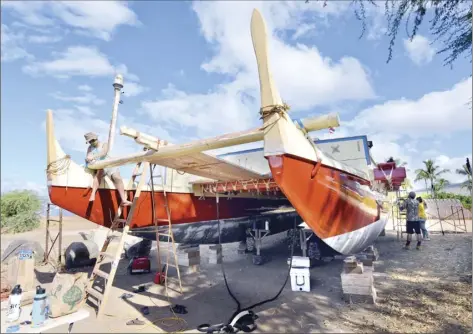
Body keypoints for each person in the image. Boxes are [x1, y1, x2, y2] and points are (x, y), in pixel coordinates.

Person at [84, 132, 132, 206]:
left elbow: (103, 153)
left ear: (95, 138)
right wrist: (88, 159)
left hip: (110, 164)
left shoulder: (104, 144)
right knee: (99, 172)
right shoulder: (90, 148)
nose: (91, 143)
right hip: (100, 166)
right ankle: (93, 193)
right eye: (89, 142)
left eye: (92, 141)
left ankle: (123, 200)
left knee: (116, 177)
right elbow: (88, 156)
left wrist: (93, 156)